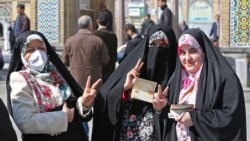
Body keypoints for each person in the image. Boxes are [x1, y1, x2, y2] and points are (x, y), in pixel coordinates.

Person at [153, 28, 246, 141]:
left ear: (203, 51)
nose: (187, 58)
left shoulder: (223, 78)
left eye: (193, 51)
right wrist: (161, 107)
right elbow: (172, 116)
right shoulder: (176, 79)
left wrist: (196, 119)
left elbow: (232, 117)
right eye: (182, 52)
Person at [6, 31, 102, 141]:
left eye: (41, 48)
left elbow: (69, 105)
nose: (37, 53)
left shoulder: (55, 72)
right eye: (31, 50)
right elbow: (25, 122)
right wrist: (63, 118)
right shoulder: (20, 78)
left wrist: (83, 104)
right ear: (22, 54)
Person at [92, 24, 178, 141]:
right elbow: (106, 98)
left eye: (163, 45)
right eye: (153, 44)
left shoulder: (180, 80)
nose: (157, 50)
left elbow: (188, 114)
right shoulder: (136, 76)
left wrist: (163, 110)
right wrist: (125, 88)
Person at [61, 15, 109, 90]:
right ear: (90, 25)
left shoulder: (70, 41)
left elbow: (64, 60)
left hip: (75, 80)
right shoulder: (98, 41)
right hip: (94, 81)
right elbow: (105, 60)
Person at [94, 12, 118, 83]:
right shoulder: (113, 35)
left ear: (97, 21)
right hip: (110, 68)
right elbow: (114, 54)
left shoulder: (94, 34)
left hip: (98, 68)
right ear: (108, 23)